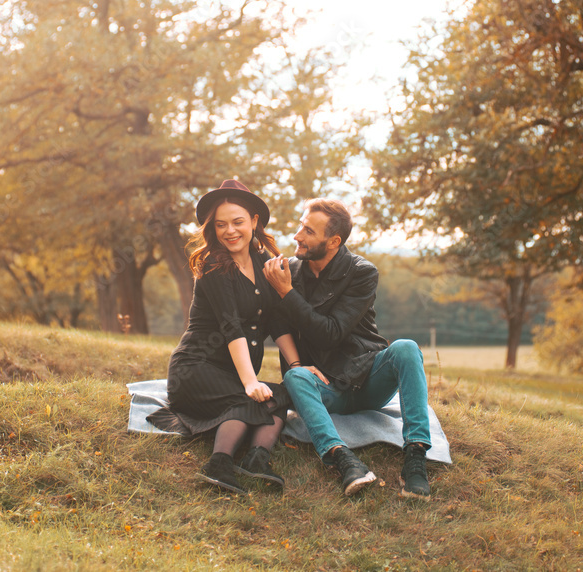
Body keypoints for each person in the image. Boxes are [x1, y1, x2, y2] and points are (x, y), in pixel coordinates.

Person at [262, 198, 433, 500]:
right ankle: (343, 460)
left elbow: (331, 334)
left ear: (333, 241)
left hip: (368, 380)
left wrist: (287, 293)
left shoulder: (361, 272)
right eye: (300, 227)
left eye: (308, 231)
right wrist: (298, 364)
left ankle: (415, 457)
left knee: (406, 348)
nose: (297, 236)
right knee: (294, 376)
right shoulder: (288, 272)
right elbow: (280, 327)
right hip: (326, 387)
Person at [147, 180, 307, 496]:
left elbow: (277, 320)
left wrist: (298, 365)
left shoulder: (264, 263)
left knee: (283, 395)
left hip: (233, 372)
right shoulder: (212, 265)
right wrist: (250, 382)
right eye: (220, 225)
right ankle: (219, 464)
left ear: (254, 222)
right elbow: (231, 326)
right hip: (196, 369)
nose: (229, 231)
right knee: (246, 399)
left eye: (237, 222)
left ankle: (257, 460)